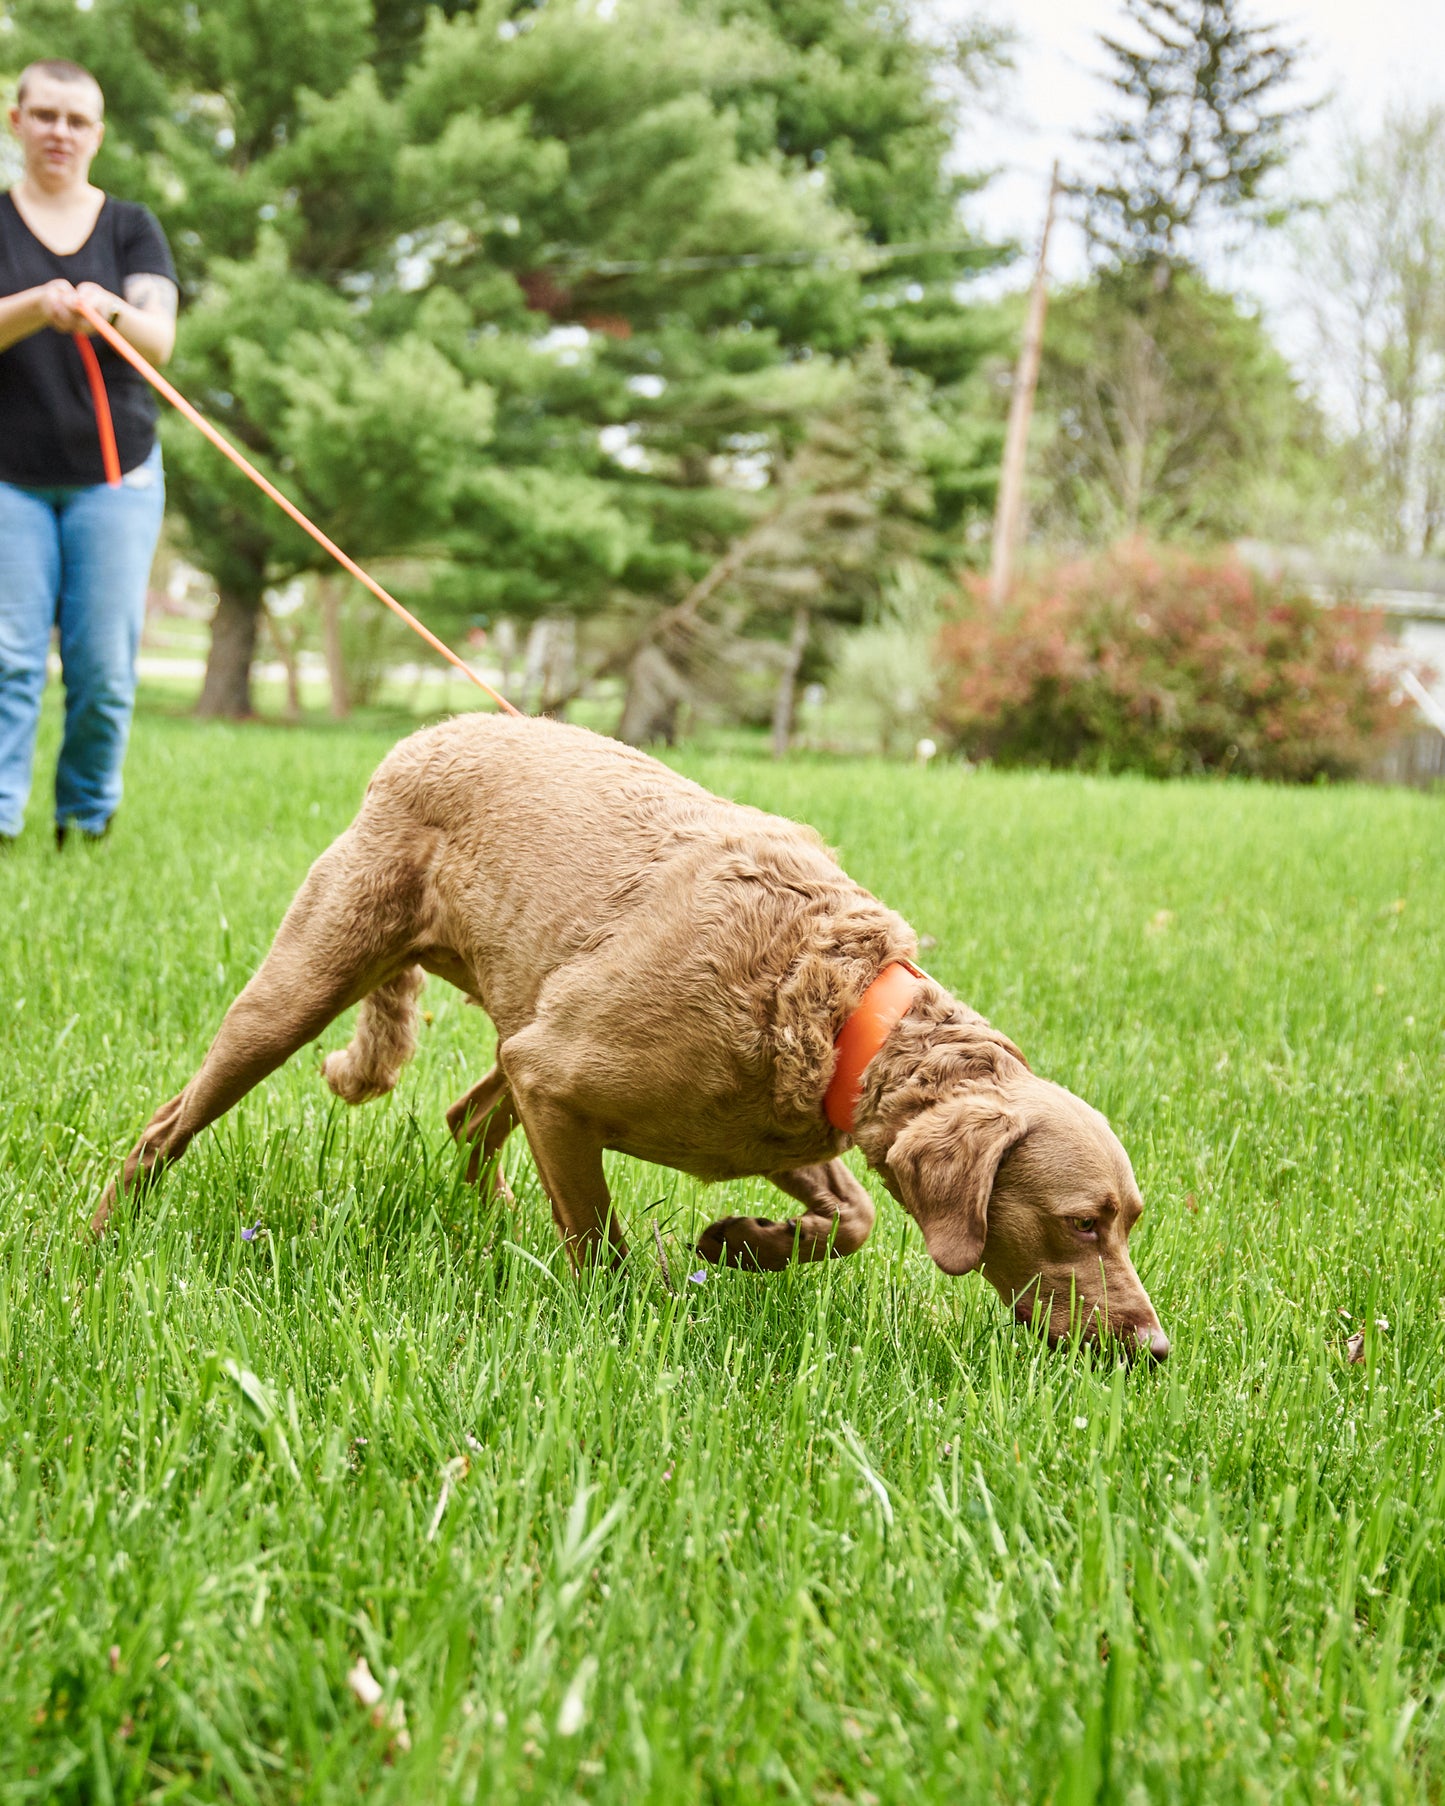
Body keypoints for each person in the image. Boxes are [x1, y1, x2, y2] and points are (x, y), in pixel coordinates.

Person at [0, 58, 177, 846]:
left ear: (98, 134)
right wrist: (38, 306)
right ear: (16, 121)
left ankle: (85, 824)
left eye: (77, 121)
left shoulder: (130, 227)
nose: (60, 133)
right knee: (8, 663)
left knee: (103, 671)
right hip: (10, 480)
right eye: (45, 116)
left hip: (116, 478)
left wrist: (107, 307)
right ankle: (1, 823)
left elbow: (159, 338)